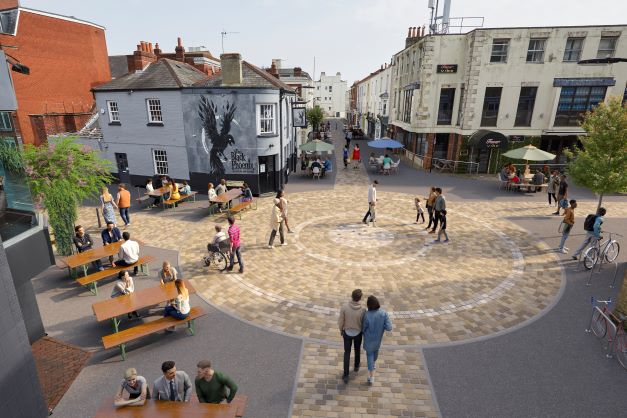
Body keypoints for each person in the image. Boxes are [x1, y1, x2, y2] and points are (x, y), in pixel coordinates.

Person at [362, 295, 392, 385]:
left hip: (368, 340)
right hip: (378, 340)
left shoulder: (367, 315)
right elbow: (389, 327)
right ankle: (373, 365)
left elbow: (363, 328)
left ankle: (371, 376)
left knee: (369, 355)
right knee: (375, 353)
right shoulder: (383, 313)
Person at [338, 289, 366, 384]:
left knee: (347, 352)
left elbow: (341, 320)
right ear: (360, 298)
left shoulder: (345, 307)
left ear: (351, 296)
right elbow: (364, 323)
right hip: (358, 333)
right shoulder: (363, 309)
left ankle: (346, 375)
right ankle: (356, 366)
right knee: (357, 349)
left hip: (347, 333)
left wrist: (341, 329)